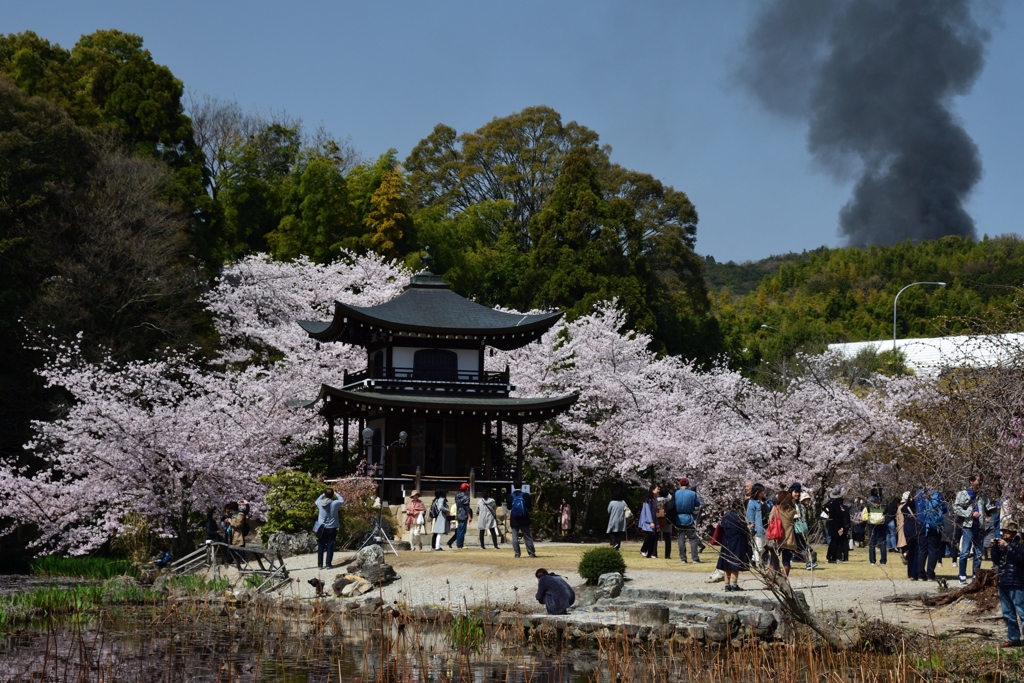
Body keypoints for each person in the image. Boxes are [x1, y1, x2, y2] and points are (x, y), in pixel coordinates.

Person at [992, 519, 1024, 648]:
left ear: (1013, 531)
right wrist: (995, 548)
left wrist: (1008, 547)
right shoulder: (1004, 544)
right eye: (1002, 531)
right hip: (1003, 581)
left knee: (1022, 612)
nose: (1003, 533)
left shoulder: (1020, 544)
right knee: (1008, 613)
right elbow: (996, 560)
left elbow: (1021, 559)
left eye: (1006, 531)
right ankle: (1013, 638)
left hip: (1017, 582)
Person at [953, 474, 989, 585]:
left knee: (978, 554)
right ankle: (962, 576)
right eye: (978, 480)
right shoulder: (963, 494)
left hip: (980, 527)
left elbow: (987, 508)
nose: (980, 483)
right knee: (965, 552)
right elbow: (956, 508)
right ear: (971, 481)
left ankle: (975, 576)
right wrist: (970, 513)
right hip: (968, 527)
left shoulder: (982, 496)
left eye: (981, 480)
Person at [915, 486, 947, 581]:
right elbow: (944, 509)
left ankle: (920, 574)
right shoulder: (937, 494)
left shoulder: (919, 493)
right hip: (933, 524)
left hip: (921, 522)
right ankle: (930, 574)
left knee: (922, 549)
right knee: (933, 550)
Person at [716, 504, 752, 592]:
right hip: (737, 542)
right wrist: (749, 528)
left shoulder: (726, 516)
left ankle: (727, 585)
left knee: (726, 564)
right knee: (735, 563)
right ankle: (734, 585)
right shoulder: (739, 517)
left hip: (726, 542)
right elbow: (744, 530)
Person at [314, 488, 345, 569]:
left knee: (320, 546)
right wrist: (336, 494)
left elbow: (316, 501)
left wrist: (322, 495)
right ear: (332, 495)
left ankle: (320, 565)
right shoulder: (335, 503)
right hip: (332, 527)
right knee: (330, 546)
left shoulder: (320, 503)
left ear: (325, 494)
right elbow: (342, 500)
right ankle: (328, 564)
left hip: (321, 528)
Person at [674, 478, 703, 563]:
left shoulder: (676, 493)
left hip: (678, 518)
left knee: (680, 538)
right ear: (688, 484)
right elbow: (700, 505)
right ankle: (695, 558)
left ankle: (683, 558)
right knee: (693, 539)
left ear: (680, 484)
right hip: (689, 517)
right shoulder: (693, 494)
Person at [769, 490, 798, 577]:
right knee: (786, 562)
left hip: (777, 538)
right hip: (788, 539)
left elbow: (770, 520)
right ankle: (783, 582)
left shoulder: (776, 508)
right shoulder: (792, 509)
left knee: (772, 561)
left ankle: (771, 581)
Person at [507, 484, 537, 558]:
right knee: (527, 536)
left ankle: (517, 553)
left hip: (514, 519)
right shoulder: (525, 495)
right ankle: (531, 553)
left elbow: (508, 507)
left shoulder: (510, 496)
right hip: (524, 518)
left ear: (514, 486)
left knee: (514, 537)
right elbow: (529, 506)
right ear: (521, 486)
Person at [896, 491, 920, 580]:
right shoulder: (916, 508)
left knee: (910, 552)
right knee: (916, 552)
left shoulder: (902, 508)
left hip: (906, 531)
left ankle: (910, 573)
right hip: (915, 530)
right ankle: (914, 573)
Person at [865, 486, 888, 566]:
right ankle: (883, 561)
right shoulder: (883, 500)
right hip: (881, 521)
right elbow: (886, 510)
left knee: (872, 542)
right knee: (882, 541)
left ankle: (872, 560)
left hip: (872, 521)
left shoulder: (869, 500)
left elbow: (867, 509)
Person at [794, 491, 817, 569]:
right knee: (803, 546)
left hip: (801, 529)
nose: (808, 501)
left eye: (808, 499)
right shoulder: (801, 507)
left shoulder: (806, 508)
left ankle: (808, 561)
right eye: (806, 499)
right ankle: (810, 558)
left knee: (802, 546)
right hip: (800, 529)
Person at [746, 484, 767, 566]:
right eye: (761, 491)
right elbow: (750, 515)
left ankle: (754, 560)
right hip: (758, 527)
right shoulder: (753, 503)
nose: (763, 492)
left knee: (765, 546)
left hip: (767, 526)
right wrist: (752, 526)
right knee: (759, 546)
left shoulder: (766, 501)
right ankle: (758, 563)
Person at [824, 487, 846, 564]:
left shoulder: (830, 503)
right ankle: (834, 557)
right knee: (835, 541)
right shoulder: (836, 504)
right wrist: (841, 526)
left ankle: (831, 557)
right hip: (836, 525)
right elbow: (838, 516)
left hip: (831, 524)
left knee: (833, 541)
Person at [448, 483, 473, 549]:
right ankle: (460, 545)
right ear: (466, 489)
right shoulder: (466, 497)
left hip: (458, 512)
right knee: (462, 530)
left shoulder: (457, 495)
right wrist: (469, 516)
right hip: (463, 514)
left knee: (459, 530)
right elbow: (467, 507)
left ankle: (459, 544)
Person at [638, 484, 660, 558]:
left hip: (653, 520)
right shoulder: (648, 500)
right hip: (647, 521)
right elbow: (647, 511)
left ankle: (650, 554)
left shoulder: (654, 499)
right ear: (653, 490)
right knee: (651, 535)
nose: (658, 490)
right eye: (657, 489)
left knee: (653, 537)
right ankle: (643, 550)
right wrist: (650, 521)